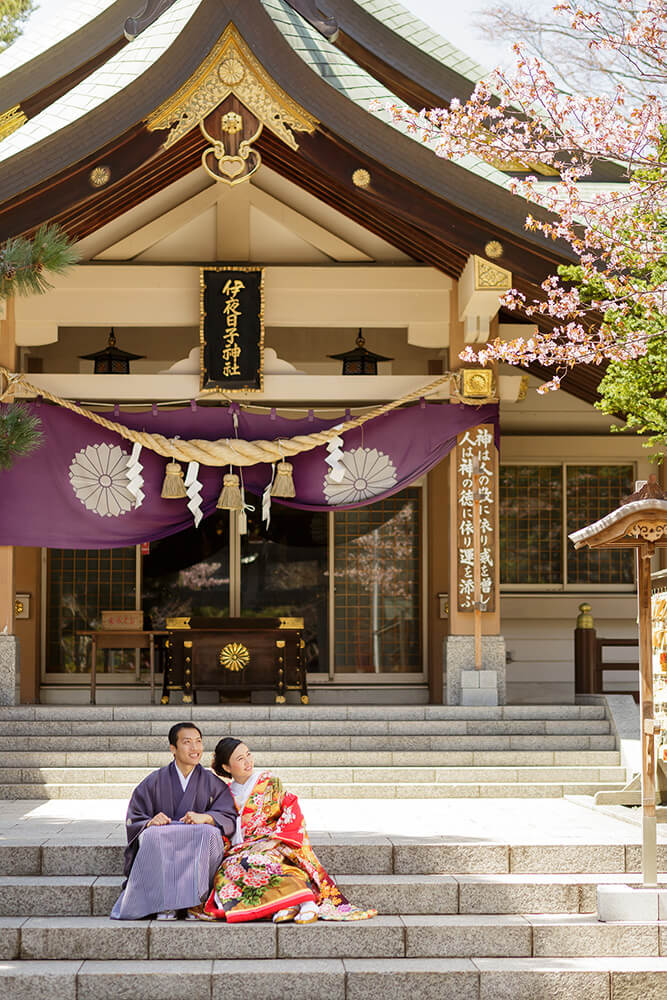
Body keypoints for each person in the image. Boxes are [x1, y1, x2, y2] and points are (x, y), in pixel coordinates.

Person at [202, 737, 377, 924]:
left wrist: (275, 840)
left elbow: (291, 809)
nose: (248, 762)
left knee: (257, 861)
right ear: (227, 767)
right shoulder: (225, 793)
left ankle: (307, 902)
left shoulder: (269, 782)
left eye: (249, 754)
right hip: (241, 848)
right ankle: (286, 905)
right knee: (228, 870)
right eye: (240, 759)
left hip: (273, 841)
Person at [111, 722, 237, 921]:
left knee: (210, 832)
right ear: (173, 748)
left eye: (198, 742)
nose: (195, 748)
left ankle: (196, 902)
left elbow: (229, 816)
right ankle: (164, 902)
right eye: (187, 742)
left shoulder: (211, 782)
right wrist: (150, 822)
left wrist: (207, 817)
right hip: (165, 846)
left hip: (198, 844)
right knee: (151, 834)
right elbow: (135, 817)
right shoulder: (154, 781)